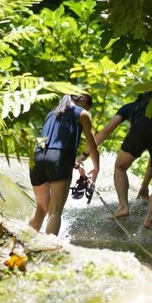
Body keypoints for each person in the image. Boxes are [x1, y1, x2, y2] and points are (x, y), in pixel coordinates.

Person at [88, 89, 152, 229]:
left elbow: (107, 130)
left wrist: (85, 153)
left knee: (120, 167)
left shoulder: (130, 107)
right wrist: (145, 185)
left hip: (142, 127)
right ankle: (149, 220)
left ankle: (123, 207)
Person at [29, 93, 99, 235]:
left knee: (41, 207)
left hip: (37, 158)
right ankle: (50, 251)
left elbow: (52, 145)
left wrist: (78, 167)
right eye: (89, 105)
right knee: (55, 211)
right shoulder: (83, 114)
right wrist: (96, 168)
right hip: (60, 159)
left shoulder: (52, 113)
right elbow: (93, 146)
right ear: (84, 100)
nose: (89, 110)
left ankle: (23, 243)